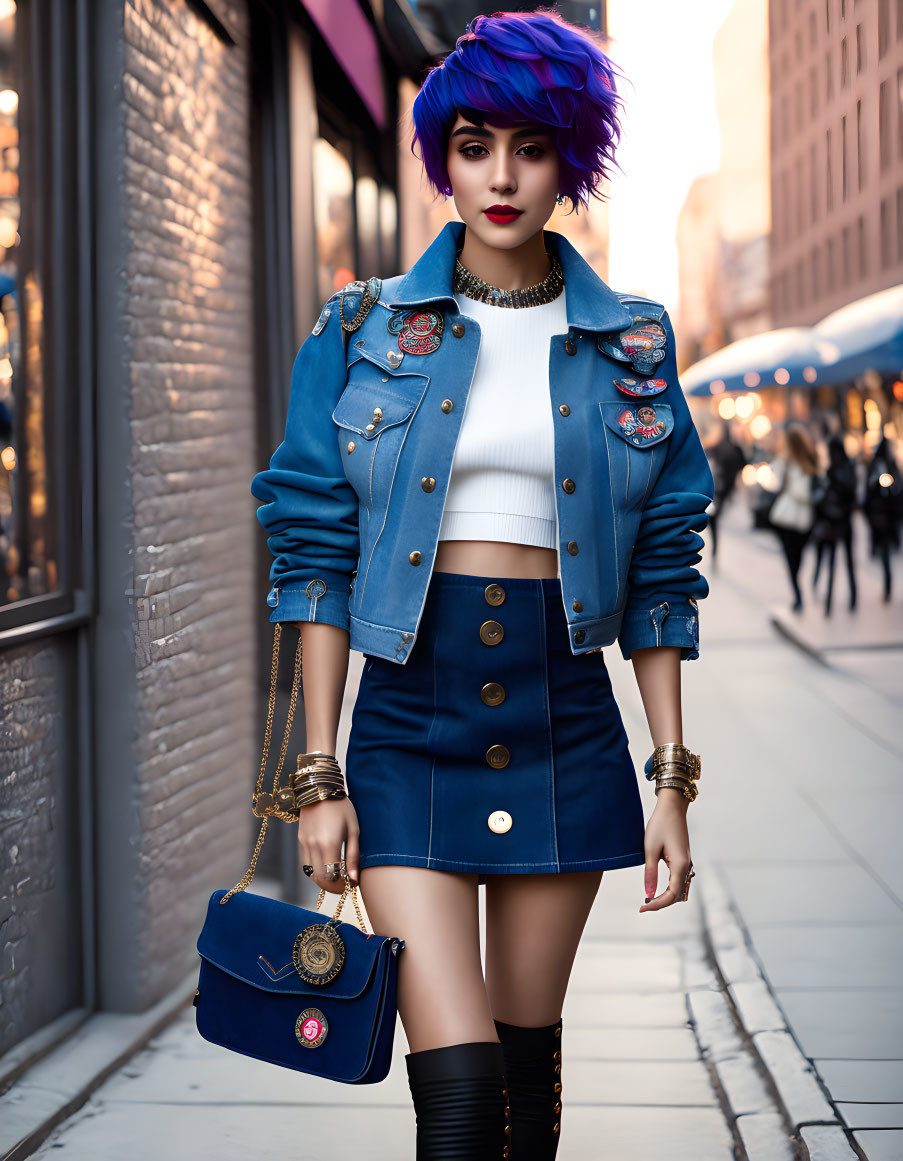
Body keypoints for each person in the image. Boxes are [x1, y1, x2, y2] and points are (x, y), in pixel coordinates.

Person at [250, 11, 714, 1159]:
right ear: (438, 157)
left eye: (530, 146)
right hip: (408, 718)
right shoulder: (361, 329)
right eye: (471, 145)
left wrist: (670, 779)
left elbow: (663, 571)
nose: (500, 176)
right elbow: (313, 556)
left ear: (572, 160)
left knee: (524, 1077)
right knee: (456, 1098)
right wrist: (318, 776)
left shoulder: (635, 345)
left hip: (565, 713)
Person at [767, 421, 820, 612]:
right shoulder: (812, 460)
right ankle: (798, 593)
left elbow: (774, 483)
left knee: (791, 559)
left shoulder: (787, 461)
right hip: (805, 517)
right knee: (798, 557)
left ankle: (797, 594)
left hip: (788, 515)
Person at [810, 433, 858, 615]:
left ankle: (839, 602)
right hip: (840, 521)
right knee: (843, 562)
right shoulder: (844, 469)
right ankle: (841, 601)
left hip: (838, 521)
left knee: (840, 562)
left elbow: (848, 495)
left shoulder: (837, 472)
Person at [862, 435, 903, 602]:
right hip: (880, 516)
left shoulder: (890, 466)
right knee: (884, 552)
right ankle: (887, 584)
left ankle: (888, 585)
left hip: (889, 516)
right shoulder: (876, 466)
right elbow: (869, 491)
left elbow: (897, 488)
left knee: (887, 551)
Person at [706, 420, 747, 558]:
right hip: (726, 489)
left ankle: (714, 549)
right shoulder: (735, 449)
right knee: (715, 518)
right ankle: (715, 549)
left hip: (716, 489)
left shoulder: (713, 448)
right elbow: (744, 465)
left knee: (714, 519)